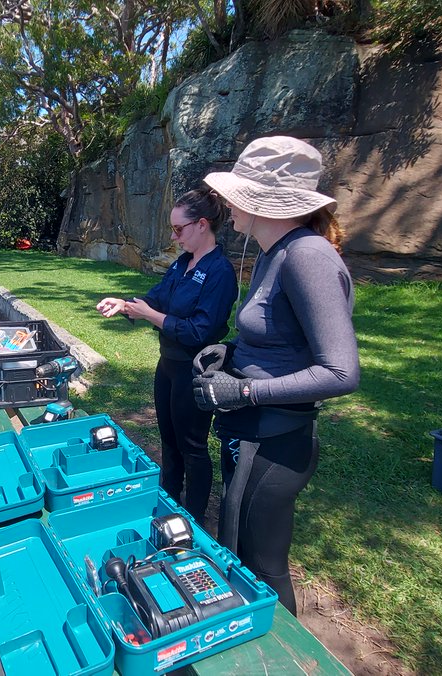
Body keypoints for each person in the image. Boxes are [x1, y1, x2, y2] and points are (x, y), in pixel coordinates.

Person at [191, 136, 360, 616]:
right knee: (236, 554)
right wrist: (229, 351)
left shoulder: (307, 256)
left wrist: (243, 389)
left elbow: (342, 371)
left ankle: (283, 657)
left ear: (266, 202)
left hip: (275, 444)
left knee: (260, 568)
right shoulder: (272, 250)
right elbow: (281, 337)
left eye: (237, 192)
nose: (226, 202)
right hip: (249, 434)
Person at [95, 188, 238, 524]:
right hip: (169, 367)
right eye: (172, 230)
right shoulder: (182, 265)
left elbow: (199, 331)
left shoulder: (220, 272)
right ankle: (168, 507)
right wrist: (125, 305)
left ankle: (194, 519)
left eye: (179, 229)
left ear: (202, 225)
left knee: (193, 447)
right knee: (169, 443)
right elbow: (155, 298)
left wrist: (151, 317)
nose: (174, 237)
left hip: (196, 371)